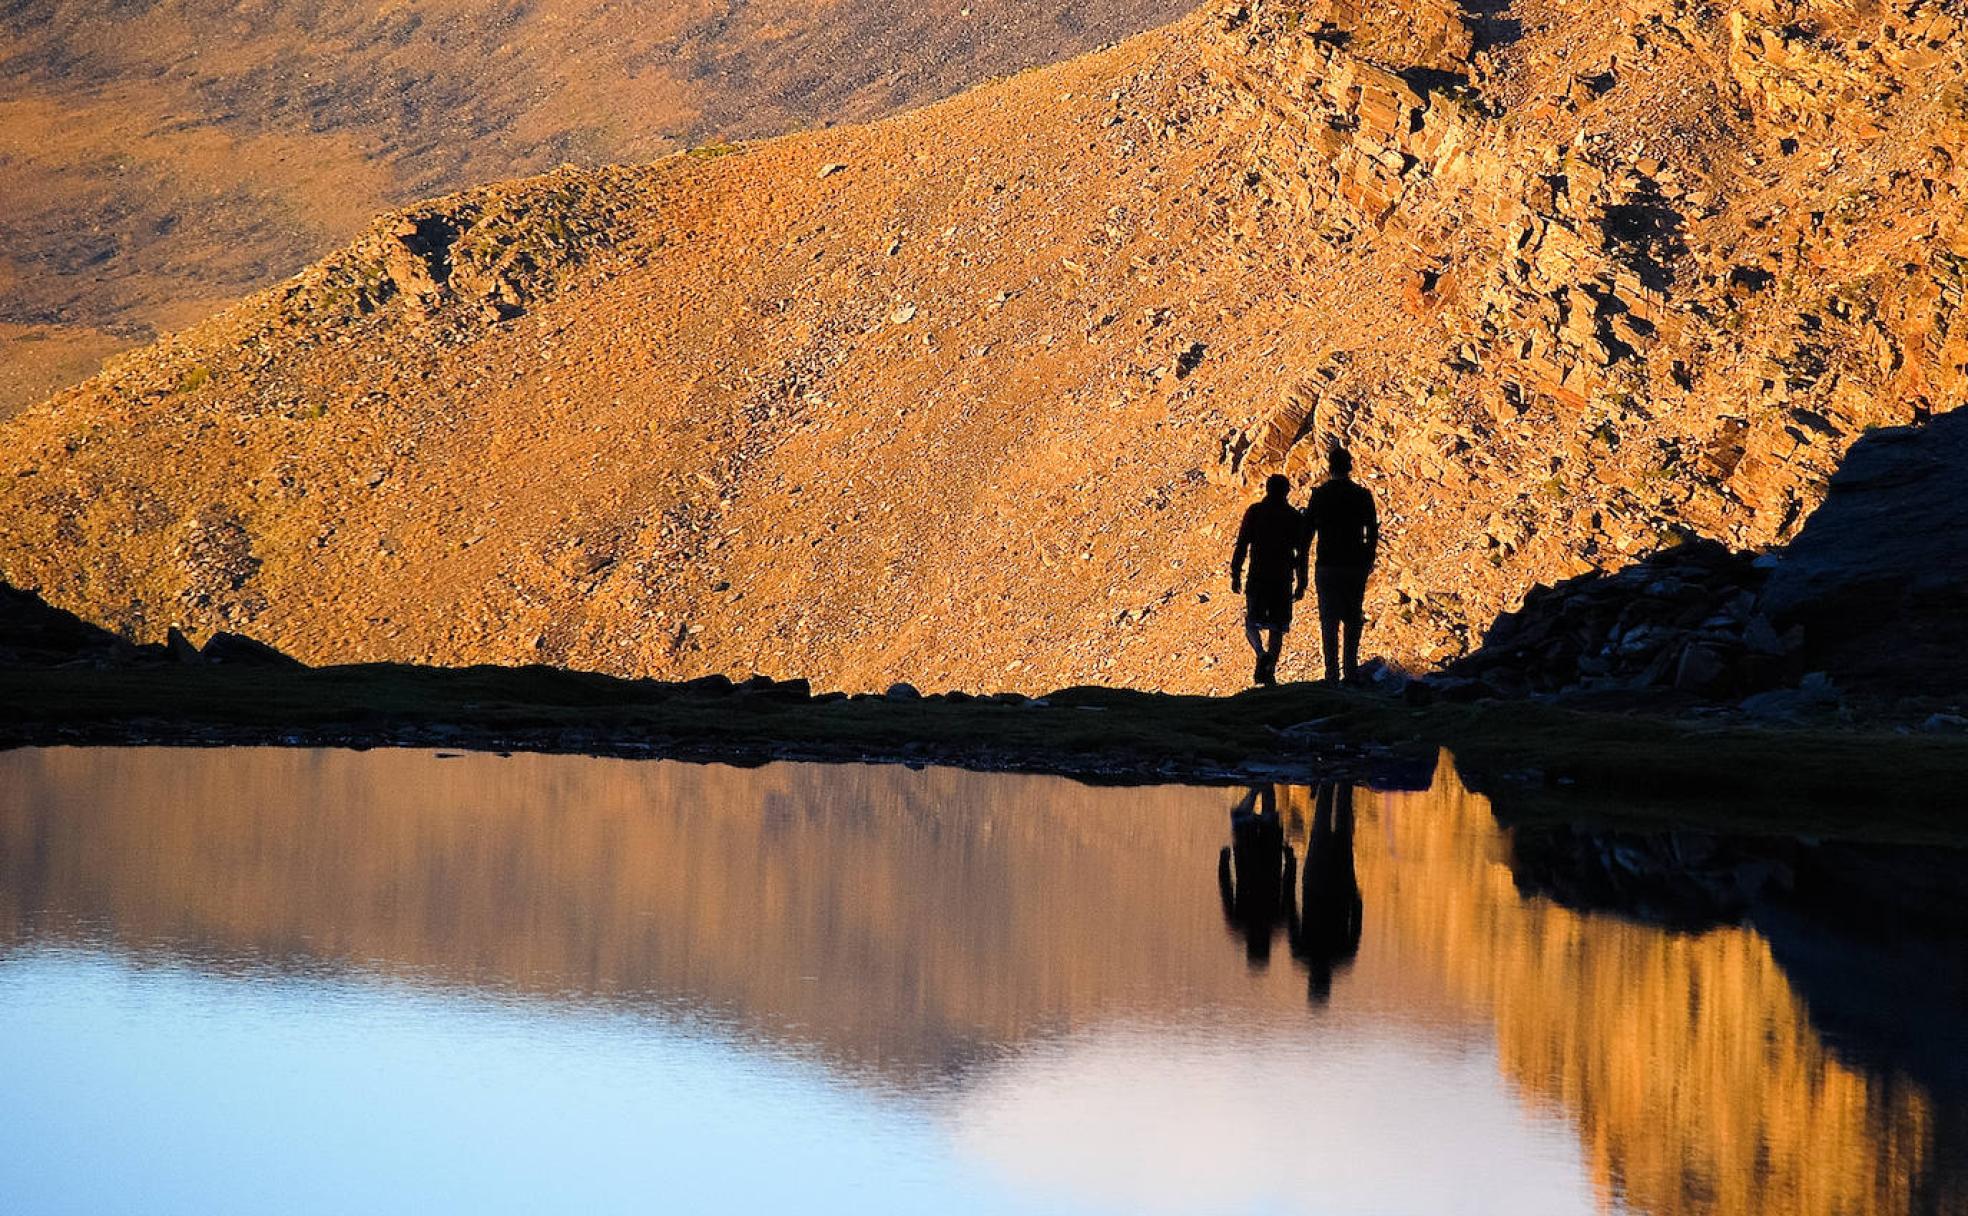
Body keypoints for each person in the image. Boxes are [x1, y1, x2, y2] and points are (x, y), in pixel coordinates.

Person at [1302, 444, 1379, 684]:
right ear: (1350, 467)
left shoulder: (1320, 495)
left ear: (1329, 467)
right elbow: (1372, 532)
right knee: (1353, 617)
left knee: (1329, 619)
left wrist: (1301, 571)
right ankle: (1351, 670)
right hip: (1355, 564)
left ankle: (1331, 672)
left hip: (1327, 565)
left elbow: (1307, 534)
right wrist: (1368, 558)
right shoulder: (1362, 495)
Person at [1230, 473, 1308, 686]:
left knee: (1251, 622)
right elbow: (1301, 553)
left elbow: (1242, 544)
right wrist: (1302, 582)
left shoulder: (1255, 512)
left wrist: (1235, 573)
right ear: (1287, 492)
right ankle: (1270, 671)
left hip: (1258, 575)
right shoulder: (1294, 517)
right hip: (1282, 578)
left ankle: (1260, 652)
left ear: (1267, 489)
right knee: (1277, 626)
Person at [1288, 783, 1363, 1005]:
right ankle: (1327, 783)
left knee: (1342, 830)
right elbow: (1293, 915)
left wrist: (1356, 897)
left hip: (1340, 886)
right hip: (1315, 884)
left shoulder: (1343, 957)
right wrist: (1292, 880)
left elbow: (1356, 924)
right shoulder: (1302, 953)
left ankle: (1343, 783)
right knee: (1320, 828)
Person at [1216, 786, 1296, 967]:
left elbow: (1288, 889)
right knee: (1242, 817)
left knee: (1267, 817)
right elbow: (1226, 888)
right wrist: (1223, 861)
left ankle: (1264, 783)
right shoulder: (1239, 923)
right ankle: (1257, 786)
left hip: (1266, 857)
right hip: (1248, 857)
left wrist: (1290, 861)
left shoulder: (1275, 922)